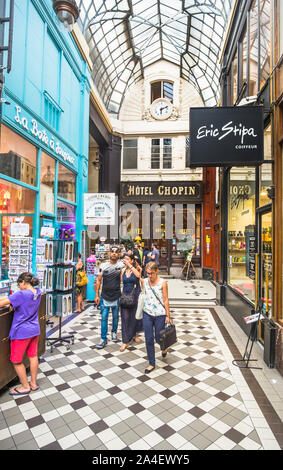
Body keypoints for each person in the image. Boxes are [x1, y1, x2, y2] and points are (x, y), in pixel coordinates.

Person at [0, 272, 42, 396]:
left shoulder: (22, 294)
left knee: (16, 360)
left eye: (19, 285)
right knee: (33, 356)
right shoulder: (37, 292)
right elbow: (12, 300)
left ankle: (25, 386)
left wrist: (12, 302)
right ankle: (33, 384)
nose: (19, 287)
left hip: (22, 332)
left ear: (23, 282)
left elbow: (3, 302)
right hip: (34, 330)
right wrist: (13, 303)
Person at [140, 262, 171, 374]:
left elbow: (166, 299)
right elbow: (137, 275)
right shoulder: (144, 281)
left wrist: (168, 315)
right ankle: (151, 363)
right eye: (147, 273)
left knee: (159, 338)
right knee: (148, 339)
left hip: (160, 314)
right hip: (147, 313)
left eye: (151, 273)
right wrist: (130, 265)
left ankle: (164, 347)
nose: (149, 276)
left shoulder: (163, 283)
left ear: (156, 271)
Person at [94, 246, 124, 349]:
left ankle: (114, 332)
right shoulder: (103, 265)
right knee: (104, 318)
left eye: (116, 252)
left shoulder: (121, 265)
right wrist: (96, 295)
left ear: (119, 254)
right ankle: (103, 339)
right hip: (104, 296)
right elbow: (98, 280)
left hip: (116, 295)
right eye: (112, 252)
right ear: (109, 253)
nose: (114, 253)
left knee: (115, 317)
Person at [119, 254, 142, 352]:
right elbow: (121, 281)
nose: (126, 261)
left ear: (132, 260)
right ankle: (125, 341)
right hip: (125, 295)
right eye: (125, 259)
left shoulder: (136, 269)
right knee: (125, 318)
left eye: (128, 259)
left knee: (134, 316)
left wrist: (131, 265)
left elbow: (138, 276)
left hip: (134, 295)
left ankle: (134, 334)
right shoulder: (123, 270)